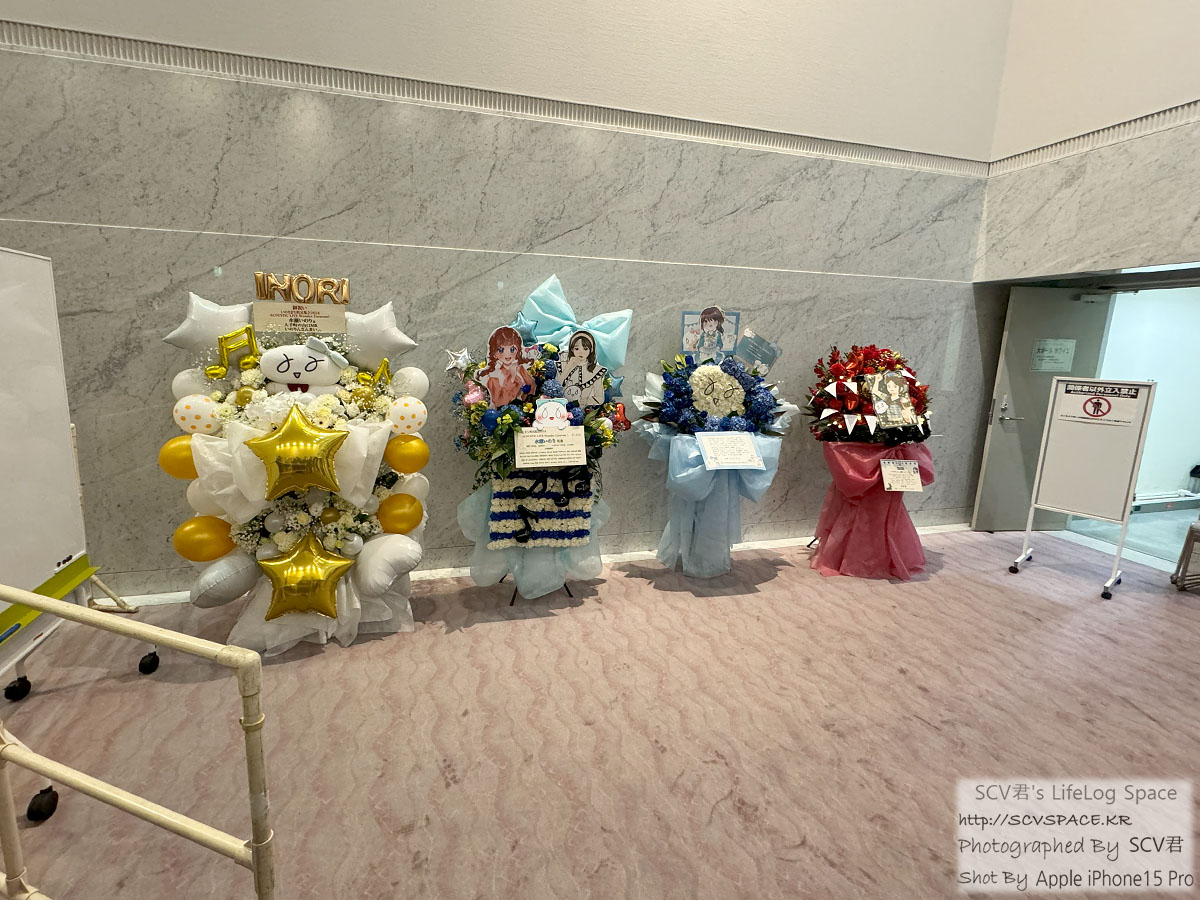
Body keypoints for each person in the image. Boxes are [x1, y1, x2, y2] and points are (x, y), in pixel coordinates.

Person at [479, 326, 535, 408]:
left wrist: (527, 396)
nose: (507, 355)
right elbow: (500, 402)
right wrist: (512, 378)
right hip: (505, 412)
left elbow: (532, 387)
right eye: (501, 350)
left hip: (525, 408)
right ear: (494, 354)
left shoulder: (520, 368)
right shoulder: (494, 376)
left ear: (518, 350)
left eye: (512, 349)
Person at [558, 330, 608, 407]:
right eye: (577, 349)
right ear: (572, 349)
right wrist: (568, 366)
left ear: (591, 350)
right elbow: (556, 386)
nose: (581, 352)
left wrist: (586, 401)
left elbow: (600, 398)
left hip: (582, 411)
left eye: (585, 349)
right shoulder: (563, 365)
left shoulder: (595, 370)